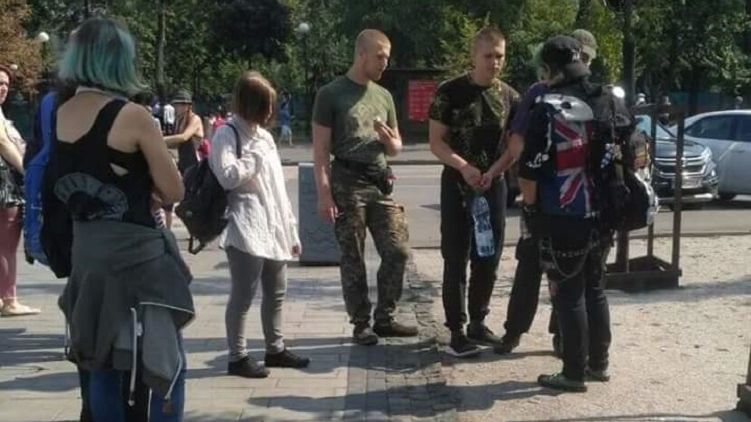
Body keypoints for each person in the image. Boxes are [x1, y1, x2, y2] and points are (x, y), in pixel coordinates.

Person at [50, 18, 192, 420]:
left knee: (102, 363)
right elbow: (174, 191)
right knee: (167, 366)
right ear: (118, 60)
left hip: (88, 256)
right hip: (137, 260)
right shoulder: (132, 116)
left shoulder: (60, 112)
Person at [495, 29, 599, 356]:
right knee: (530, 264)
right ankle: (514, 330)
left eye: (587, 59)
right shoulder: (539, 93)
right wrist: (530, 195)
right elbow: (517, 141)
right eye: (581, 58)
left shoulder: (594, 94)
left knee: (572, 276)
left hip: (576, 203)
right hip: (543, 197)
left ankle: (563, 338)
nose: (583, 65)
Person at [519, 35, 612, 392]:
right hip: (603, 210)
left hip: (563, 211)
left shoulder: (547, 106)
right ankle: (599, 364)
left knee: (568, 292)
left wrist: (531, 210)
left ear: (549, 69)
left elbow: (529, 171)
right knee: (595, 288)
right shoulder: (606, 97)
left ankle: (573, 372)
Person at [312, 29, 417, 346]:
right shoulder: (331, 94)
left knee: (397, 250)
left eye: (387, 57)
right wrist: (324, 195)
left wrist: (390, 142)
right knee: (353, 255)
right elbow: (320, 152)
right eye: (380, 56)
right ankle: (361, 323)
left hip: (379, 180)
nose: (385, 63)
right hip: (347, 181)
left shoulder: (383, 96)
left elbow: (397, 147)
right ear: (361, 55)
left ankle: (385, 318)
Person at [210, 71, 310, 378]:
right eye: (264, 106)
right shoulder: (227, 134)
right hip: (245, 225)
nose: (269, 113)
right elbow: (227, 176)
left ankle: (275, 349)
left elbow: (278, 188)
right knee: (243, 294)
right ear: (249, 104)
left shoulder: (265, 137)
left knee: (276, 290)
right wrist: (254, 156)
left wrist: (291, 228)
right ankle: (237, 356)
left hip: (273, 223)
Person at [428, 26, 520, 357]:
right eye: (488, 56)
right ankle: (456, 330)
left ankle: (478, 322)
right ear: (474, 56)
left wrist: (494, 171)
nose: (495, 63)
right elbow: (436, 142)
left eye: (500, 56)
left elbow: (514, 146)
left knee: (488, 257)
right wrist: (464, 167)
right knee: (455, 256)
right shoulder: (449, 92)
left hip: (493, 185)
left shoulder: (510, 97)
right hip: (457, 184)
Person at [0, 64, 41, 317]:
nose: (3, 88)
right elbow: (3, 143)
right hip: (5, 186)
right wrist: (28, 172)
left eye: (5, 83)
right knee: (6, 245)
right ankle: (9, 300)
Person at [163, 90, 203, 228]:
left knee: (191, 199)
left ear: (187, 106)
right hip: (182, 162)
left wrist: (161, 139)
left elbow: (184, 137)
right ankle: (168, 229)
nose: (176, 107)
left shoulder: (195, 119)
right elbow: (176, 143)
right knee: (170, 195)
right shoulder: (178, 120)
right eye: (175, 104)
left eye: (179, 104)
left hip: (194, 164)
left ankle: (197, 228)